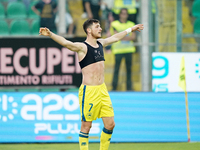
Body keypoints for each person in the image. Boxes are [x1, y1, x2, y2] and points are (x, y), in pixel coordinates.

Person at [39, 19, 143, 150]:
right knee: (86, 126)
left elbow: (115, 37)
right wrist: (51, 34)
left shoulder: (101, 43)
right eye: (97, 27)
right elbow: (66, 43)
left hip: (102, 90)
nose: (100, 29)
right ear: (89, 30)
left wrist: (130, 29)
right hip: (89, 92)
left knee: (110, 124)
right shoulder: (82, 47)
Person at [110, 8, 137, 91]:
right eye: (123, 13)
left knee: (129, 69)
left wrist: (121, 37)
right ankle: (114, 87)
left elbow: (133, 37)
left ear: (127, 15)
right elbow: (116, 36)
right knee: (116, 69)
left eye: (126, 13)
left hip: (129, 50)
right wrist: (127, 37)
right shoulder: (114, 24)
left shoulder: (131, 24)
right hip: (118, 50)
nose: (124, 15)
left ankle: (129, 87)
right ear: (120, 15)